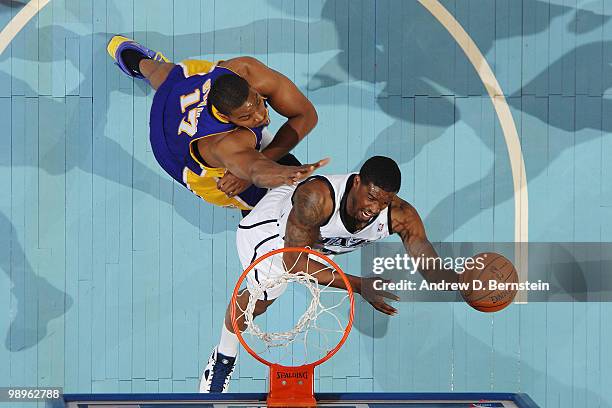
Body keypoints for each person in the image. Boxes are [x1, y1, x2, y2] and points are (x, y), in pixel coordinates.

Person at [199, 156, 460, 392]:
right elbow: (294, 264)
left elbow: (428, 263)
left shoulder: (400, 215)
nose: (375, 208)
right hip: (272, 237)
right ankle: (222, 358)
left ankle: (266, 161)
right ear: (357, 181)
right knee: (258, 302)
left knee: (288, 174)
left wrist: (462, 285)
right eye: (371, 197)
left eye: (384, 201)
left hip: (305, 234)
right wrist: (358, 285)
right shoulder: (318, 198)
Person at [107, 35, 328, 211]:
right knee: (249, 195)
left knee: (167, 73)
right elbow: (253, 168)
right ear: (227, 118)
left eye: (259, 103)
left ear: (250, 87)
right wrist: (271, 175)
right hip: (172, 149)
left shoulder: (245, 70)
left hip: (183, 92)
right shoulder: (223, 143)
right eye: (246, 118)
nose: (260, 117)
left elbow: (306, 115)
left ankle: (137, 61)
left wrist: (268, 157)